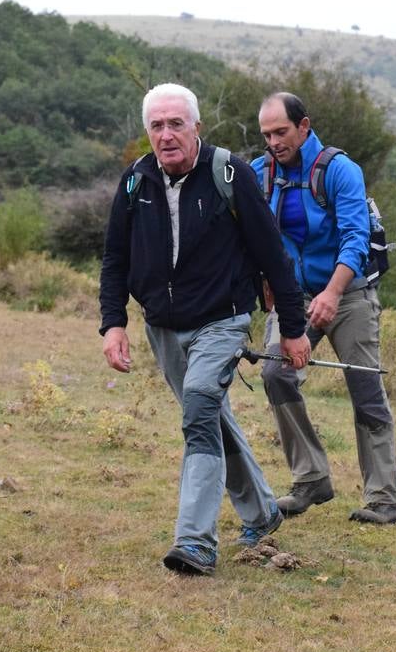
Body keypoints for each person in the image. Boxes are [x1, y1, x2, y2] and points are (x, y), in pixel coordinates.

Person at [99, 83, 311, 575]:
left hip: (223, 319)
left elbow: (273, 257)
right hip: (163, 327)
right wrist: (113, 324)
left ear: (197, 127)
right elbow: (115, 258)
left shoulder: (228, 174)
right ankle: (262, 511)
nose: (167, 134)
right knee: (210, 414)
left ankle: (194, 541)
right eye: (157, 125)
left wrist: (293, 329)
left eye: (177, 124)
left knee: (198, 407)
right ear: (147, 131)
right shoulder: (135, 183)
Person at [251, 92, 396, 524]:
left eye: (281, 132)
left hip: (348, 293)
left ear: (304, 126)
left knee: (365, 388)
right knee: (276, 374)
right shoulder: (259, 174)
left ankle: (383, 498)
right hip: (292, 296)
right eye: (266, 135)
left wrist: (333, 294)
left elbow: (355, 238)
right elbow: (251, 235)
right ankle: (311, 479)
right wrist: (262, 279)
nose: (274, 142)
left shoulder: (340, 171)